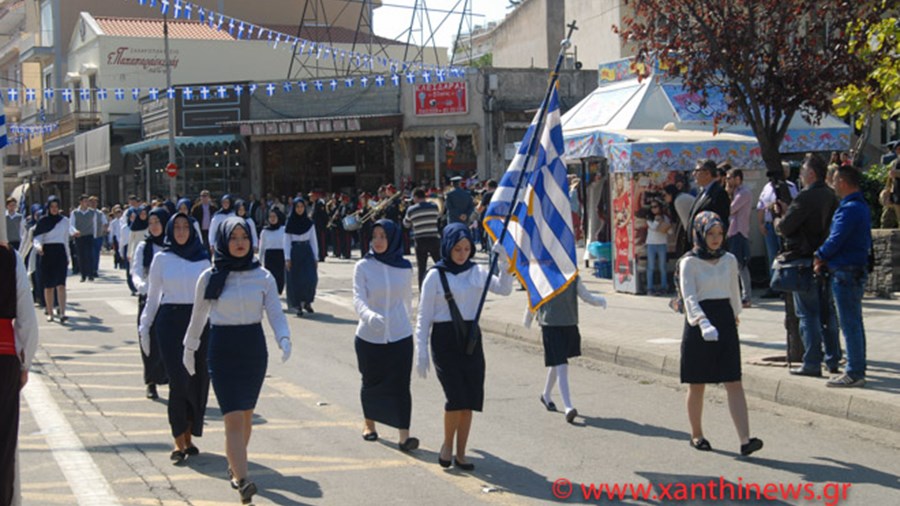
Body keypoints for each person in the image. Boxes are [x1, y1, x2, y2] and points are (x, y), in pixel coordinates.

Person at [182, 216, 292, 504]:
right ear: (223, 241)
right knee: (232, 417)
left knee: (245, 418)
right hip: (223, 349)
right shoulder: (209, 276)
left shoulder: (263, 276)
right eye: (233, 238)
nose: (240, 243)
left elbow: (275, 314)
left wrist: (284, 337)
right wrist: (189, 348)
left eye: (244, 237)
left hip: (253, 350)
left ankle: (235, 464)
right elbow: (198, 317)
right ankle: (243, 481)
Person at [414, 223, 513, 470]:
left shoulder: (477, 271)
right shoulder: (435, 275)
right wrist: (421, 350)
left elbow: (504, 289)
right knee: (455, 396)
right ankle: (447, 444)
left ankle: (461, 452)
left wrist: (503, 263)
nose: (462, 254)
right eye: (457, 248)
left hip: (470, 338)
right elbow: (423, 317)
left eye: (467, 248)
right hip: (445, 339)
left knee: (469, 398)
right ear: (447, 247)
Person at [678, 211, 762, 456]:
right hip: (698, 323)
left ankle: (745, 439)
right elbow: (689, 297)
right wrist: (702, 323)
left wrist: (736, 313)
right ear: (700, 234)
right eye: (711, 234)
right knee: (697, 383)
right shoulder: (688, 262)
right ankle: (697, 434)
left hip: (724, 319)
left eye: (719, 234)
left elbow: (733, 290)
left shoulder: (729, 259)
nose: (716, 239)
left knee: (733, 380)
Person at [138, 212, 211, 465]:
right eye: (176, 227)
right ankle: (178, 439)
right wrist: (144, 325)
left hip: (198, 321)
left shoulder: (203, 258)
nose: (181, 232)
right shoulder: (161, 258)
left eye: (185, 227)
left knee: (197, 380)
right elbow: (153, 297)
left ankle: (190, 435)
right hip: (170, 323)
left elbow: (212, 298)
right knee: (178, 381)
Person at [352, 219, 419, 451]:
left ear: (393, 238)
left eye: (383, 236)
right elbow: (358, 297)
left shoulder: (404, 267)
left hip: (400, 334)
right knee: (371, 381)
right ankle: (369, 424)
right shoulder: (363, 266)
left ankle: (404, 436)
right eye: (375, 236)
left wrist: (409, 324)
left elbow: (408, 300)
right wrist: (368, 315)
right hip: (370, 335)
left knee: (401, 385)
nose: (378, 241)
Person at [776, 155, 841, 378]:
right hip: (826, 259)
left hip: (804, 259)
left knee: (808, 314)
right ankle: (833, 359)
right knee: (828, 313)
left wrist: (780, 217)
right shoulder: (831, 195)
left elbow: (785, 227)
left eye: (803, 172)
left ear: (811, 174)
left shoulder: (806, 197)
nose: (801, 176)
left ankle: (812, 362)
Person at [814, 166, 872, 388]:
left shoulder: (849, 209)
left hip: (845, 271)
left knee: (849, 323)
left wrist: (819, 255)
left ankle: (855, 371)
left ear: (845, 182)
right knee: (854, 322)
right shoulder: (860, 206)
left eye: (836, 180)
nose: (833, 183)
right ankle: (857, 367)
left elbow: (836, 239)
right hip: (853, 270)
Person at [528, 275, 607, 423]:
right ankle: (568, 407)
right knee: (561, 365)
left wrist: (599, 300)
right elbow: (534, 298)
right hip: (550, 324)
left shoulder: (573, 277)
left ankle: (546, 395)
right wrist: (528, 317)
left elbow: (585, 295)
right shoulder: (544, 275)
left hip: (569, 323)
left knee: (557, 363)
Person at [0, 241, 39, 506]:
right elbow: (27, 319)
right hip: (3, 358)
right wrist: (25, 363)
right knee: (3, 442)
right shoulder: (8, 257)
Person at [130, 208, 171, 400]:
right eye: (151, 222)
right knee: (148, 339)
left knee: (169, 340)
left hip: (169, 297)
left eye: (158, 222)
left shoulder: (171, 246)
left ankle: (171, 377)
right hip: (148, 297)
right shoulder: (143, 247)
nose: (154, 226)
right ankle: (151, 381)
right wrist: (142, 286)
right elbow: (136, 271)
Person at [756, 162, 799, 298]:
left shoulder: (791, 187)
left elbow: (795, 205)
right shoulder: (767, 188)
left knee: (784, 254)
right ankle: (773, 285)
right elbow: (760, 206)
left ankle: (784, 286)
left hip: (784, 225)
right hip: (769, 224)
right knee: (772, 255)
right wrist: (761, 224)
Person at [32, 196, 71, 323]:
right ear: (48, 208)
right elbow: (37, 238)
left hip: (60, 252)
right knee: (49, 286)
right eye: (52, 207)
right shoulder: (43, 221)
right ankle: (50, 312)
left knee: (61, 284)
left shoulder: (64, 221)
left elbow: (65, 240)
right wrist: (38, 247)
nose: (54, 209)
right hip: (47, 252)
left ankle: (62, 312)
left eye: (56, 206)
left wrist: (68, 255)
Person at [284, 197, 319, 316]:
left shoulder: (309, 222)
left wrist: (316, 257)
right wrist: (287, 257)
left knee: (311, 278)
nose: (299, 209)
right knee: (296, 280)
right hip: (295, 252)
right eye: (297, 207)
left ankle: (307, 301)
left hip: (307, 251)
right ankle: (297, 304)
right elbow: (287, 241)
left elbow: (314, 240)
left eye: (302, 207)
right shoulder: (290, 222)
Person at [403, 188, 442, 289]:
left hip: (420, 240)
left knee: (422, 268)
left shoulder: (411, 209)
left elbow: (406, 224)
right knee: (440, 264)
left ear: (415, 197)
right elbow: (437, 217)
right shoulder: (434, 206)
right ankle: (445, 285)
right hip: (434, 238)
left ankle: (422, 291)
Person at [725, 169, 753, 307]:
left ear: (738, 178)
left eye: (730, 178)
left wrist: (728, 193)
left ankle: (746, 296)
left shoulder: (744, 193)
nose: (727, 180)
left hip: (739, 232)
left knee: (741, 265)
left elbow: (730, 209)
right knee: (732, 265)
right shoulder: (734, 192)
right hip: (730, 231)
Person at [687, 159, 730, 239]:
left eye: (697, 171)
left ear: (707, 173)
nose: (693, 174)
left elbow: (721, 223)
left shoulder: (719, 194)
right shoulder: (702, 192)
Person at [70, 195, 99, 282]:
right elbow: (71, 224)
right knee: (81, 256)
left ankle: (90, 274)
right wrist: (74, 232)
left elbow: (94, 224)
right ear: (81, 202)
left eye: (87, 201)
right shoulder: (75, 213)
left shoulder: (92, 212)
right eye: (85, 201)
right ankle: (83, 275)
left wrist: (95, 235)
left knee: (89, 255)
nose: (87, 203)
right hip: (79, 236)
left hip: (89, 236)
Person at [646, 198, 671, 295]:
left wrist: (667, 228)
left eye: (655, 207)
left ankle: (663, 287)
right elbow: (653, 228)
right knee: (651, 267)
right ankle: (650, 288)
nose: (653, 209)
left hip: (662, 244)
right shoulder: (649, 217)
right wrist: (657, 221)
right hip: (651, 244)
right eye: (652, 207)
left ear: (660, 208)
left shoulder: (665, 217)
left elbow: (668, 230)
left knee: (662, 267)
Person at [259, 207, 286, 295]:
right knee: (270, 276)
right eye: (270, 217)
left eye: (274, 216)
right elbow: (262, 246)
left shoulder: (283, 229)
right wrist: (260, 260)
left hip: (280, 255)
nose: (272, 219)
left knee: (280, 277)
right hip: (269, 256)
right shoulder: (265, 231)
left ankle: (278, 291)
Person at [89, 196, 107, 277]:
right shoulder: (87, 213)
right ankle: (89, 269)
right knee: (90, 254)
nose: (93, 204)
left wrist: (104, 230)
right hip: (89, 236)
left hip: (98, 236)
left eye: (95, 202)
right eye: (92, 202)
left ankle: (95, 270)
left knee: (96, 254)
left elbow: (105, 223)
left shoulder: (100, 213)